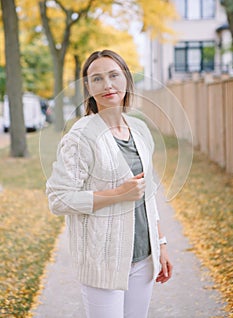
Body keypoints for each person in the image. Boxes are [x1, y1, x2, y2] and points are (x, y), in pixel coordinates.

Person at [46, 49, 173, 318]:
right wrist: (117, 194)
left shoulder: (138, 129)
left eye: (114, 75)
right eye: (97, 79)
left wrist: (161, 244)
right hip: (103, 260)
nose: (108, 85)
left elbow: (147, 193)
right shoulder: (80, 136)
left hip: (144, 258)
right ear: (88, 87)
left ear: (126, 79)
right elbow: (58, 199)